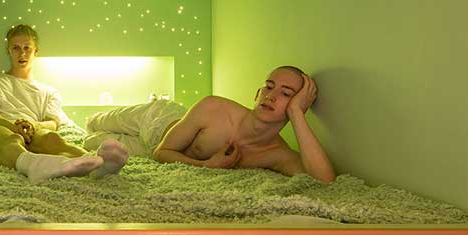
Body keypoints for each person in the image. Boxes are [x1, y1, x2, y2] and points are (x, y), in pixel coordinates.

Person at [84, 65, 336, 182]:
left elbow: (325, 180)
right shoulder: (215, 107)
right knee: (95, 122)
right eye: (269, 87)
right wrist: (208, 165)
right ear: (257, 94)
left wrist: (297, 114)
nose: (271, 96)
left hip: (148, 150)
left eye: (286, 94)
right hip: (159, 120)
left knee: (90, 142)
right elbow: (164, 150)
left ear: (296, 106)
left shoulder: (276, 154)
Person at [0, 24, 129, 181]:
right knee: (12, 138)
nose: (22, 53)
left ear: (35, 51)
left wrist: (34, 126)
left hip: (31, 130)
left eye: (27, 48)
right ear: (9, 50)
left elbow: (53, 122)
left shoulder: (49, 91)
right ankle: (32, 166)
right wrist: (13, 127)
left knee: (52, 139)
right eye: (16, 48)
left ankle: (99, 164)